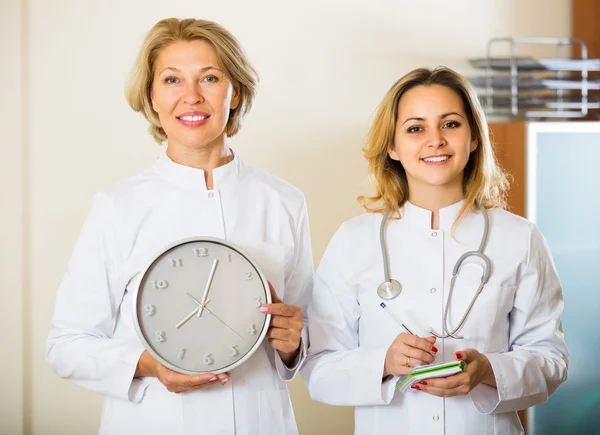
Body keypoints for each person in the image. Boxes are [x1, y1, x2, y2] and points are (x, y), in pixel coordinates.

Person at [46, 18, 313, 435]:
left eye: (209, 77)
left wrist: (295, 342)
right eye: (172, 80)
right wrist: (148, 365)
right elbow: (66, 345)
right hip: (155, 421)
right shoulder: (117, 206)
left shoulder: (283, 201)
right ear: (151, 96)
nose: (191, 97)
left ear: (234, 90)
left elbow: (306, 334)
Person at [304, 67, 568, 434]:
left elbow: (551, 359)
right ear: (392, 146)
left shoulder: (520, 238)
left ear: (473, 137)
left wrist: (490, 370)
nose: (435, 140)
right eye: (415, 128)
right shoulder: (354, 241)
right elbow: (318, 369)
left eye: (451, 124)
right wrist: (384, 361)